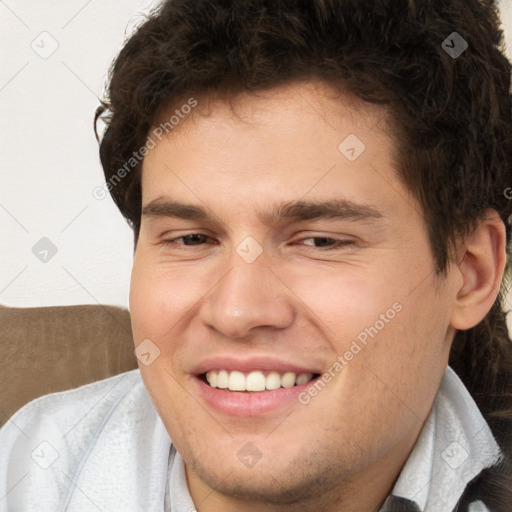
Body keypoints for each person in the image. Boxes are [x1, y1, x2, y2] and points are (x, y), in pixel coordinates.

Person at [1, 0, 512, 510]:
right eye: (192, 239)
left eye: (319, 241)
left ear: (470, 274)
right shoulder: (25, 471)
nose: (236, 312)